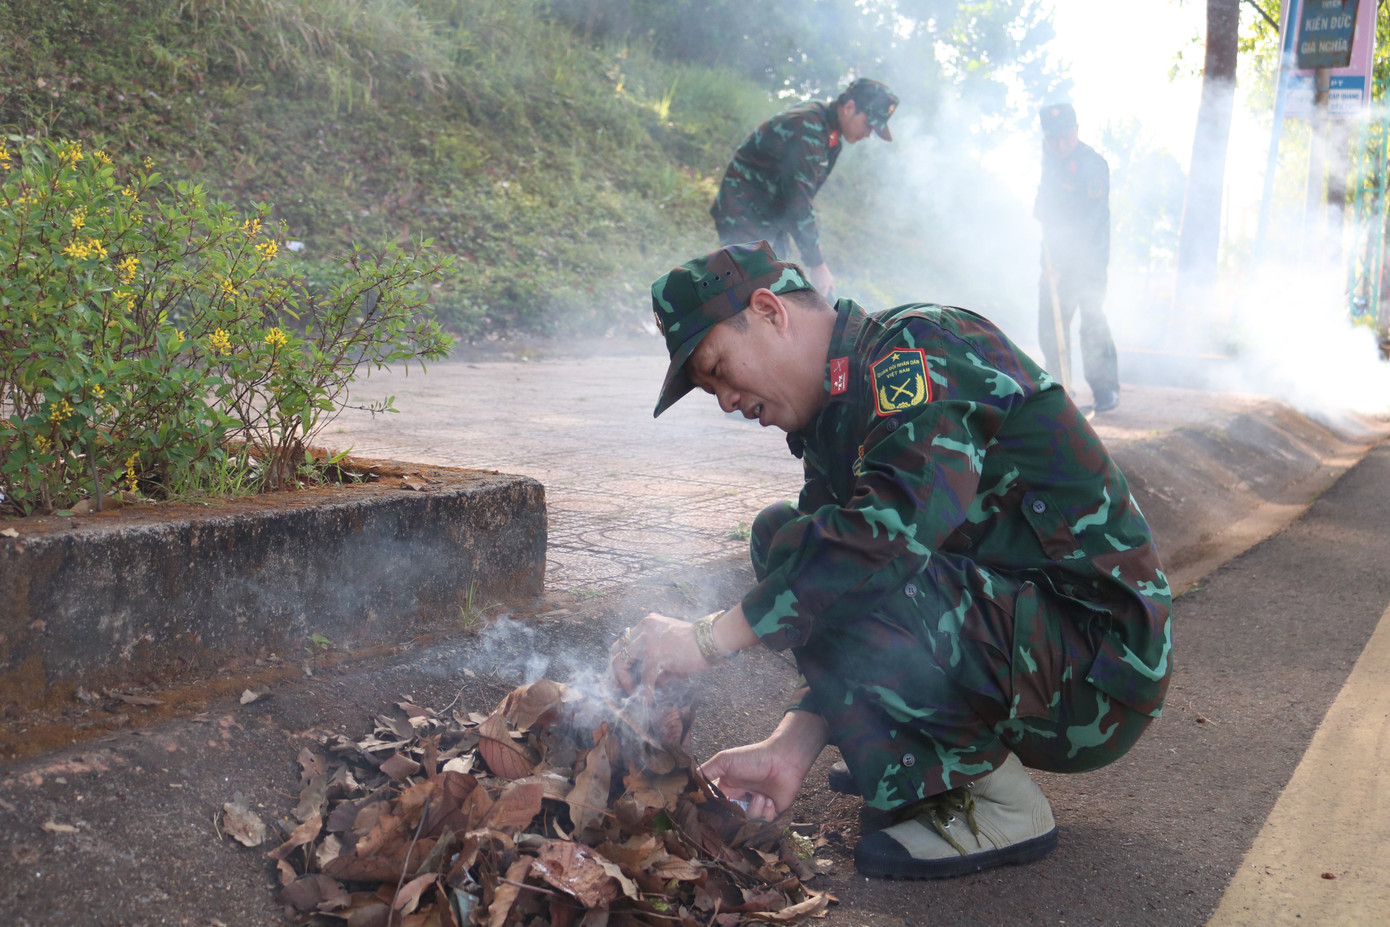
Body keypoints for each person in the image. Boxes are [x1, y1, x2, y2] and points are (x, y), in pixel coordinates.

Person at [609, 240, 1172, 880]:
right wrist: (788, 749)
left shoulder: (917, 348)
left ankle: (1002, 804)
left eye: (718, 368)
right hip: (1031, 650)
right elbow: (835, 598)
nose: (726, 401)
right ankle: (922, 767)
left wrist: (708, 639)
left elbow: (888, 539)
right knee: (787, 539)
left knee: (844, 554)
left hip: (1097, 669)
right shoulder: (834, 417)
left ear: (769, 311)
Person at [710, 78, 898, 299]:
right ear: (849, 108)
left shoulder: (832, 137)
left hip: (770, 214)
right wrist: (817, 264)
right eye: (868, 125)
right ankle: (689, 320)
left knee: (775, 289)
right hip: (743, 209)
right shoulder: (807, 127)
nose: (868, 134)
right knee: (753, 291)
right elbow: (797, 201)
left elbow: (800, 198)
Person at [1034, 102, 1120, 413]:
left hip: (1089, 260)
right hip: (1055, 259)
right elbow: (1046, 215)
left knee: (1092, 321)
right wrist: (1050, 264)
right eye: (1053, 139)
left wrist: (1064, 265)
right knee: (1050, 323)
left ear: (1076, 132)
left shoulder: (1091, 165)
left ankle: (1105, 389)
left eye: (1066, 137)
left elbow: (1088, 223)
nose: (1060, 145)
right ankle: (1061, 391)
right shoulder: (1049, 162)